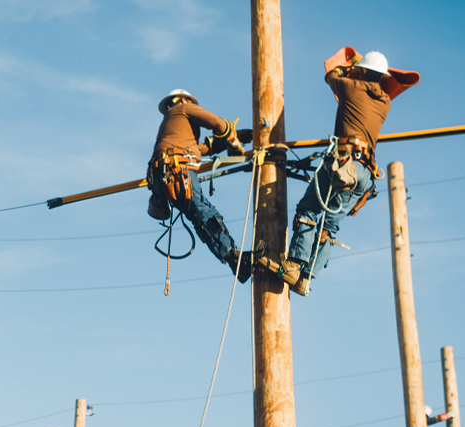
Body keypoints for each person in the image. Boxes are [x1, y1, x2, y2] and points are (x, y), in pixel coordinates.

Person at [274, 50, 394, 296]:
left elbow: (331, 75)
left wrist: (350, 67)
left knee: (309, 209)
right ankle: (306, 279)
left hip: (343, 163)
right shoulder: (385, 101)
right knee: (329, 227)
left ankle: (294, 266)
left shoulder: (351, 87)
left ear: (361, 71)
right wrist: (358, 69)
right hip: (365, 175)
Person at [147, 89, 248, 277]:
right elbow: (217, 123)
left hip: (162, 176)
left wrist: (238, 135)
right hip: (177, 170)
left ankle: (232, 257)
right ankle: (233, 256)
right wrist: (232, 139)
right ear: (185, 100)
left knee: (201, 214)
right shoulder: (184, 108)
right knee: (203, 212)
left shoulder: (172, 128)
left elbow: (204, 148)